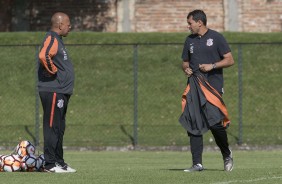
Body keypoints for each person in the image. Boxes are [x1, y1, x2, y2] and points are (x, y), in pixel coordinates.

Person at [179, 9, 235, 172]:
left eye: (190, 23)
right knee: (194, 123)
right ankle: (197, 163)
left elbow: (230, 60)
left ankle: (226, 154)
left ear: (199, 22)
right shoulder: (189, 40)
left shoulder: (216, 37)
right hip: (194, 86)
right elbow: (185, 62)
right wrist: (186, 69)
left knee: (215, 123)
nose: (188, 26)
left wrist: (213, 66)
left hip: (213, 87)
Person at [38, 12, 76, 173]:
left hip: (61, 91)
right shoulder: (52, 38)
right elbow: (44, 55)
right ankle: (50, 164)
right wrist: (53, 71)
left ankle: (59, 162)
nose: (70, 27)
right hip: (53, 90)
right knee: (52, 127)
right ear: (60, 25)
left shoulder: (59, 40)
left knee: (59, 128)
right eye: (68, 24)